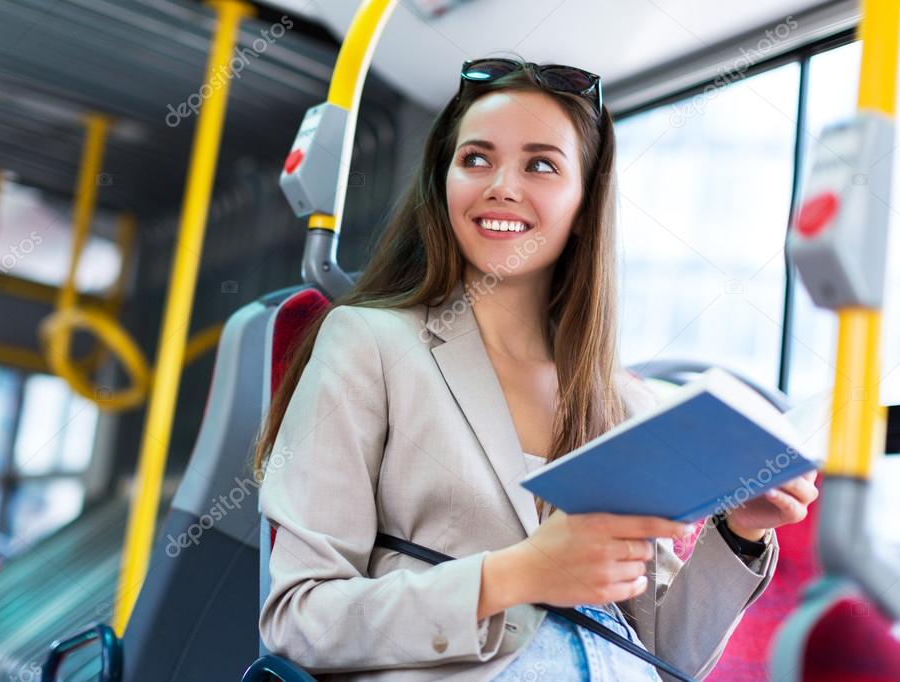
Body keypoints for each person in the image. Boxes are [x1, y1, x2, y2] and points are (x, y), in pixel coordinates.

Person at [254, 58, 818, 681]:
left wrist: (739, 531)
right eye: (475, 159)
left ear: (584, 203)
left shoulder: (622, 403)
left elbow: (664, 653)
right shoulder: (371, 343)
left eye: (541, 164)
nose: (501, 184)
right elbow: (300, 619)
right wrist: (514, 575)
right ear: (443, 182)